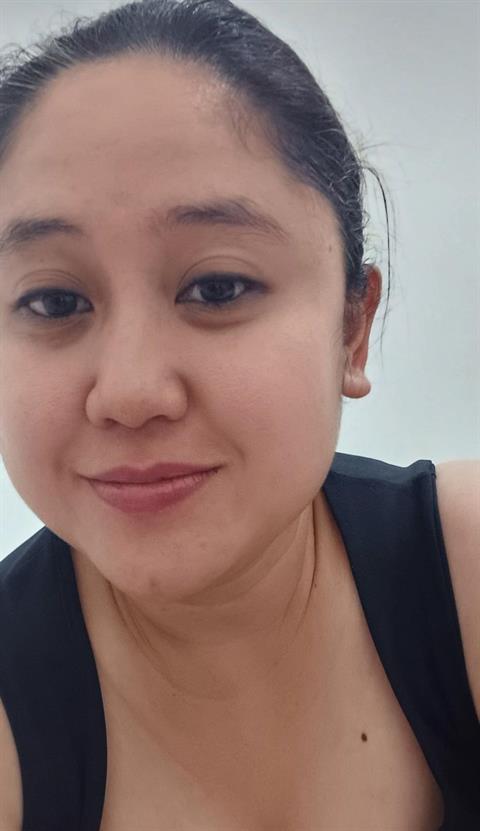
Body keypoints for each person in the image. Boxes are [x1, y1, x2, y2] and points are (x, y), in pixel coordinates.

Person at [0, 1, 478, 829]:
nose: (130, 392)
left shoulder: (466, 567)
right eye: (54, 301)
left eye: (217, 287)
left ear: (352, 329)